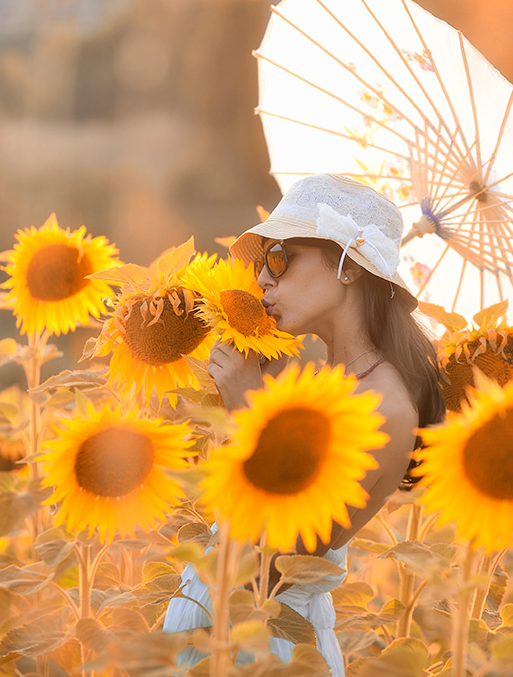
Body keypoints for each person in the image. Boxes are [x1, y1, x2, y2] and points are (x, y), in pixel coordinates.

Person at [163, 173, 446, 675]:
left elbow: (278, 569)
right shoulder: (324, 381)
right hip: (219, 629)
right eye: (263, 260)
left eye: (280, 256)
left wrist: (247, 412)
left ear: (348, 268)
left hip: (267, 650)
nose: (264, 278)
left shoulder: (383, 407)